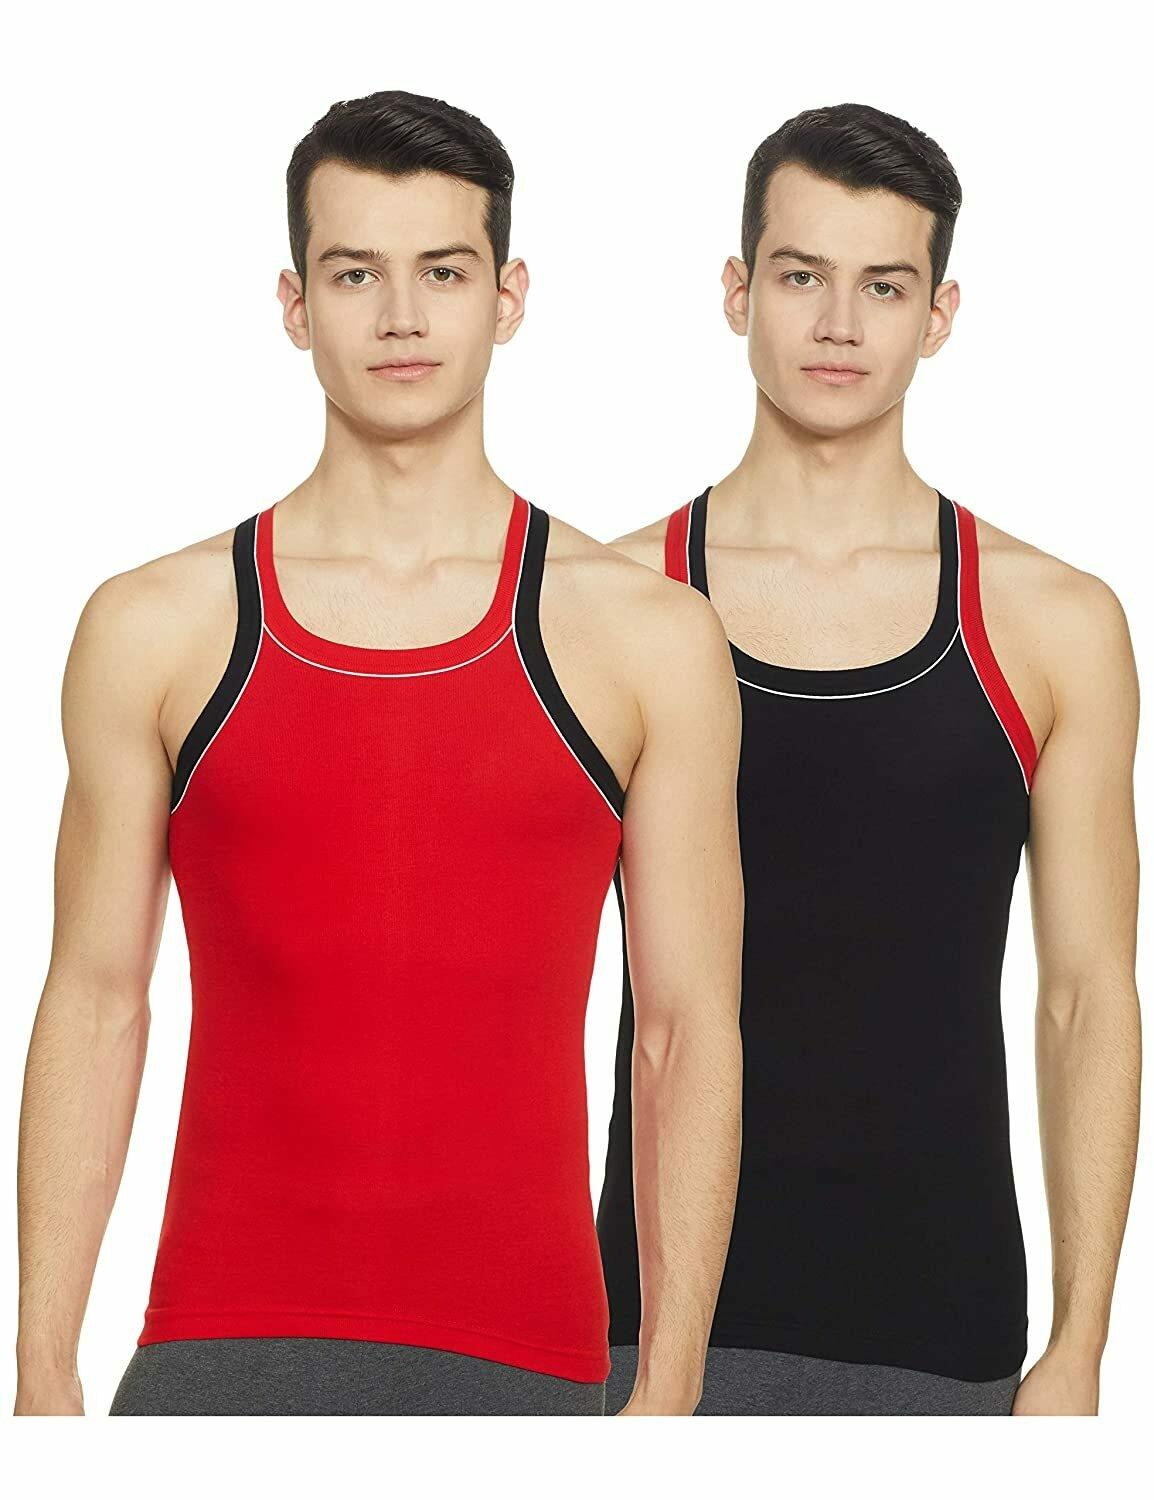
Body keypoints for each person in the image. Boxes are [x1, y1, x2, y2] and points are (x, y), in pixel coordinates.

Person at [14, 89, 743, 1417]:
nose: (402, 316)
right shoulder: (156, 626)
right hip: (215, 1359)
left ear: (507, 297)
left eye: (443, 272)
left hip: (527, 1369)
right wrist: (42, 1370)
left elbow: (684, 1031)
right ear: (296, 306)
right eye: (356, 274)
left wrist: (672, 1390)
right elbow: (97, 999)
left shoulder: (646, 638)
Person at [596, 102, 1140, 1416]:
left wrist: (1078, 1347)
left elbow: (1085, 996)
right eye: (801, 277)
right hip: (643, 1335)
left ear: (937, 315)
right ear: (738, 292)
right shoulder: (610, 606)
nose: (839, 323)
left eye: (883, 286)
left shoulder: (1052, 622)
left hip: (944, 1332)